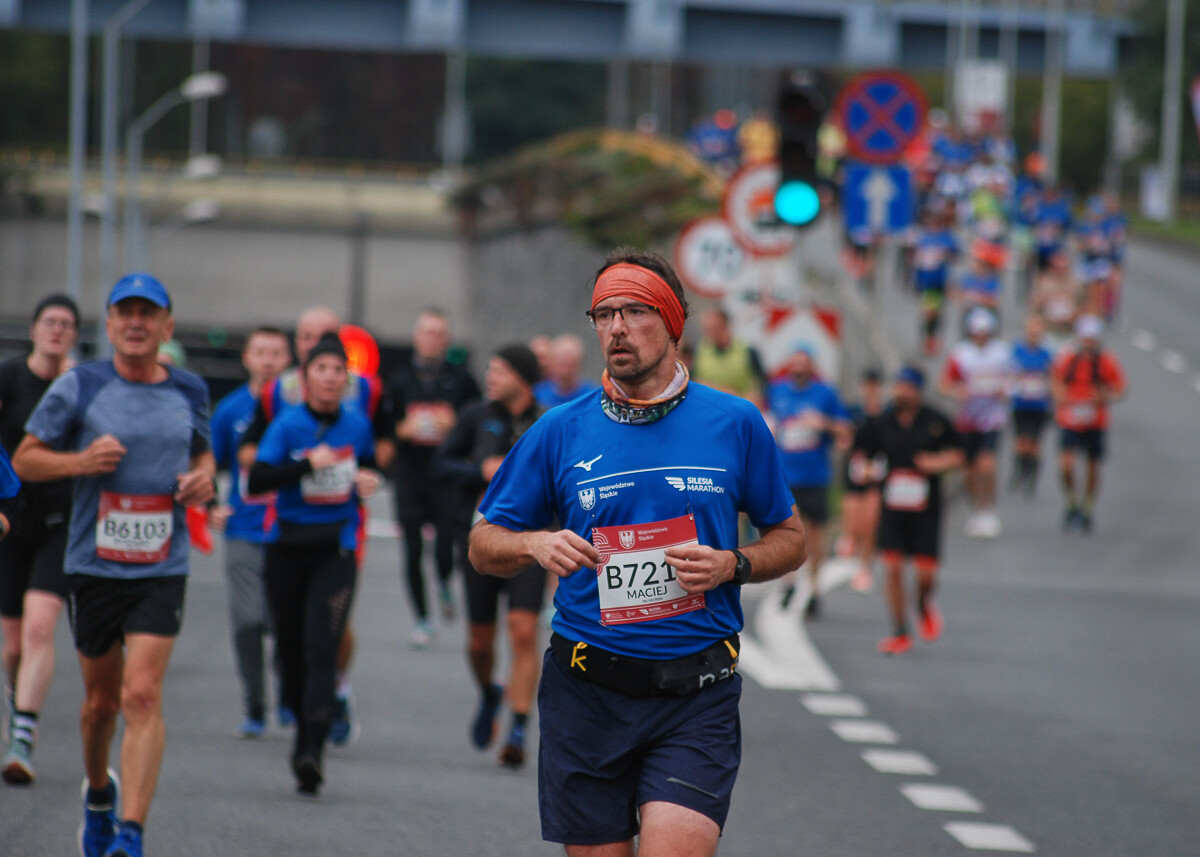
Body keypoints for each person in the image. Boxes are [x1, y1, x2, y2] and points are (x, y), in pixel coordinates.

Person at [468, 250, 806, 856]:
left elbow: (791, 538)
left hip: (695, 694)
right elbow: (482, 544)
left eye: (635, 311)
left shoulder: (734, 422)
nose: (616, 328)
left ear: (674, 324)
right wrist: (533, 542)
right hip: (586, 693)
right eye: (603, 314)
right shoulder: (559, 429)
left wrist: (734, 564)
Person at [13, 273, 214, 857]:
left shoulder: (190, 389)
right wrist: (81, 462)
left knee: (143, 695)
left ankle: (131, 833)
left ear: (166, 327)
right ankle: (99, 794)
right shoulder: (80, 386)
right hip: (94, 563)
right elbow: (25, 460)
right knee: (100, 704)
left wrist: (204, 480)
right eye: (124, 312)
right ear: (110, 324)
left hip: (162, 563)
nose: (135, 323)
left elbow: (203, 454)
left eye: (147, 314)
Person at [239, 305, 393, 744]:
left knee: (322, 640)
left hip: (339, 538)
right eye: (317, 365)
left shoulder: (361, 414)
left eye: (335, 368)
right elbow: (256, 472)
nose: (327, 375)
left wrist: (372, 476)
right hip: (286, 539)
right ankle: (294, 698)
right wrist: (304, 464)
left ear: (344, 376)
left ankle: (314, 739)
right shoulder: (282, 412)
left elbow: (374, 459)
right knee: (289, 645)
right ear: (304, 372)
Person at [436, 345, 547, 769]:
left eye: (500, 370)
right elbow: (441, 464)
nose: (491, 377)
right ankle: (488, 692)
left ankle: (518, 726)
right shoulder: (474, 416)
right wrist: (478, 472)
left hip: (533, 540)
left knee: (522, 631)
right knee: (480, 642)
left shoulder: (546, 421)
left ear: (523, 377)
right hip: (483, 539)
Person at [0, 295, 78, 785]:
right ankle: (18, 700)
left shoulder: (79, 387)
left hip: (61, 520)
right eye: (49, 321)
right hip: (10, 518)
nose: (57, 330)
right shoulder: (8, 378)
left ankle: (23, 734)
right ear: (33, 330)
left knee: (39, 628)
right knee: (12, 643)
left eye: (66, 324)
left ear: (75, 335)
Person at [209, 326, 291, 739]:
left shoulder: (299, 409)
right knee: (248, 621)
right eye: (260, 351)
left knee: (284, 622)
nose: (268, 360)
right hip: (243, 528)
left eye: (276, 352)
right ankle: (255, 705)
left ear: (288, 359)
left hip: (289, 530)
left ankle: (289, 693)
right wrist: (211, 505)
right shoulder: (230, 410)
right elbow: (209, 463)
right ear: (245, 357)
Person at [385, 308, 480, 647]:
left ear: (447, 340)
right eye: (426, 332)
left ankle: (443, 581)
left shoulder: (462, 380)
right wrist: (402, 430)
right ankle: (423, 619)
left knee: (446, 548)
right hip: (410, 474)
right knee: (411, 549)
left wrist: (453, 424)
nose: (432, 339)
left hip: (447, 477)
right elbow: (384, 429)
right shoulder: (398, 379)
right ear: (416, 337)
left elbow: (477, 424)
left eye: (439, 333)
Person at [854, 367, 963, 655]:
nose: (900, 392)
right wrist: (867, 471)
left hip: (926, 508)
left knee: (925, 575)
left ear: (918, 391)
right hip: (893, 507)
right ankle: (900, 631)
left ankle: (924, 603)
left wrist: (937, 464)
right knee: (892, 568)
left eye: (906, 387)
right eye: (897, 386)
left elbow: (960, 453)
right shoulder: (882, 422)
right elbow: (862, 455)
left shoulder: (936, 420)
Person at [765, 344, 849, 618]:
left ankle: (813, 589)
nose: (799, 368)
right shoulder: (777, 390)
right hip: (784, 475)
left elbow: (844, 428)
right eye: (795, 363)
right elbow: (764, 419)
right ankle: (789, 582)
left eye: (804, 363)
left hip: (815, 476)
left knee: (814, 535)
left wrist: (822, 424)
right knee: (784, 532)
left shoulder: (825, 393)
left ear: (811, 366)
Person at [939, 307, 1012, 539]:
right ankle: (975, 510)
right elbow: (944, 384)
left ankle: (988, 510)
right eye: (977, 332)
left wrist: (1005, 392)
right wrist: (957, 393)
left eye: (985, 332)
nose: (981, 336)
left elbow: (1013, 380)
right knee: (969, 470)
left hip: (992, 419)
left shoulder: (1001, 353)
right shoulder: (961, 354)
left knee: (987, 465)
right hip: (967, 420)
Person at [1051, 315, 1127, 533]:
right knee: (1066, 463)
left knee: (1093, 465)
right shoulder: (1068, 357)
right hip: (1070, 418)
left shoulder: (1106, 361)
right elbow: (1055, 379)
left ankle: (1088, 506)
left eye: (1091, 339)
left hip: (1096, 419)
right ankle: (1071, 501)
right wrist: (1061, 397)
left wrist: (1103, 396)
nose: (1088, 344)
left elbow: (1120, 388)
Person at [838, 368, 886, 593]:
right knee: (853, 522)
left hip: (877, 473)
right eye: (867, 386)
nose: (870, 390)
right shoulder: (854, 412)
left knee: (871, 522)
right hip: (855, 472)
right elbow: (844, 436)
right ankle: (850, 547)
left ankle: (865, 567)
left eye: (874, 386)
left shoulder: (886, 414)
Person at [1009, 315, 1055, 497]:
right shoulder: (1017, 351)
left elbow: (1053, 379)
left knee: (1035, 443)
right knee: (1021, 441)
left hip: (1039, 405)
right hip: (1020, 403)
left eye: (1037, 330)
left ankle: (1032, 478)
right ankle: (1019, 471)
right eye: (1031, 330)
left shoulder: (1048, 354)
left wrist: (1054, 402)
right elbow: (1009, 374)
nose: (1034, 334)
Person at [690, 308, 766, 407]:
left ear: (725, 326)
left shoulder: (747, 351)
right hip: (710, 408)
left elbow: (763, 382)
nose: (709, 334)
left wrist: (756, 396)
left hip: (740, 407)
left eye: (714, 328)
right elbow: (692, 381)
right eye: (707, 329)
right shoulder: (699, 351)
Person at [533, 333, 599, 409]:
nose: (565, 370)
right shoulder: (538, 394)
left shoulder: (591, 396)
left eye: (570, 364)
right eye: (561, 363)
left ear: (580, 364)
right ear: (552, 362)